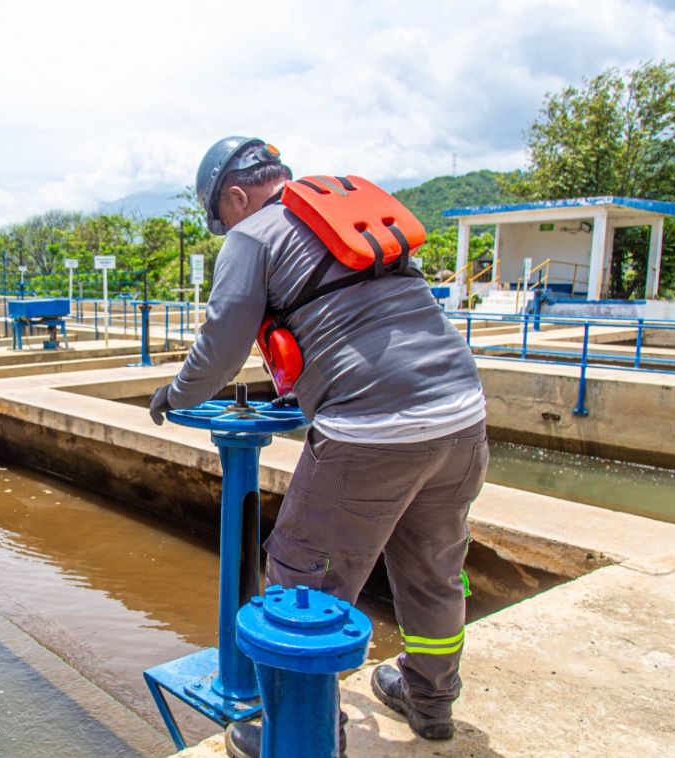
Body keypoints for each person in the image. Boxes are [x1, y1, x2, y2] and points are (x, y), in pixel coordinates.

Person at [149, 137, 489, 757]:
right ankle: (430, 702)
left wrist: (173, 394)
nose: (224, 226)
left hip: (372, 433)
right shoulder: (338, 217)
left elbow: (222, 349)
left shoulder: (251, 235)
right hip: (462, 418)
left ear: (233, 196)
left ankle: (304, 735)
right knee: (434, 572)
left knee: (298, 584)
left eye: (219, 216)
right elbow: (357, 324)